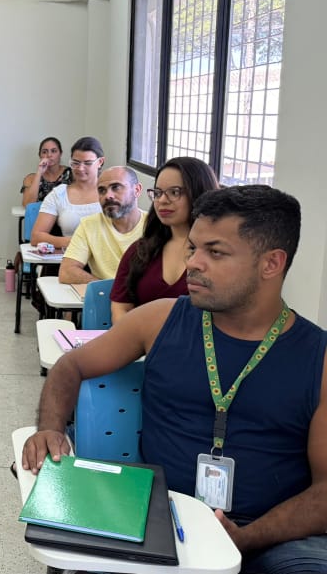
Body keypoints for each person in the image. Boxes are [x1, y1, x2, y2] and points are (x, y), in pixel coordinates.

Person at [22, 185, 327, 574]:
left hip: (269, 538)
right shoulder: (161, 319)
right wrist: (50, 428)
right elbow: (71, 366)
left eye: (215, 252)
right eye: (193, 248)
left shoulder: (319, 359)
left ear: (271, 263)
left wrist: (244, 538)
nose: (193, 264)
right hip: (158, 515)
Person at [110, 157, 219, 323]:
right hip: (142, 338)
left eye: (175, 192)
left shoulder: (220, 255)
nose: (162, 200)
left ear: (199, 194)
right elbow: (120, 308)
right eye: (158, 193)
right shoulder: (140, 251)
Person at [58, 166, 147, 284]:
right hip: (105, 293)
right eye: (102, 190)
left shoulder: (155, 226)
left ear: (137, 190)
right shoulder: (89, 225)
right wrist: (108, 289)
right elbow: (66, 272)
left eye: (116, 187)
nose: (108, 196)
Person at [30, 136, 103, 249]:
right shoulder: (59, 194)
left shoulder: (111, 193)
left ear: (100, 162)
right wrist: (74, 242)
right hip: (70, 255)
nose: (80, 168)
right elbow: (36, 237)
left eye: (88, 163)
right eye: (75, 163)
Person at [21, 137, 71, 206]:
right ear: (40, 155)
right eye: (44, 152)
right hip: (38, 213)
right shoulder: (30, 178)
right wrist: (39, 172)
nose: (49, 155)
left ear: (60, 153)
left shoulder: (71, 174)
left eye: (53, 151)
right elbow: (27, 205)